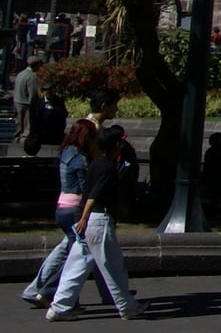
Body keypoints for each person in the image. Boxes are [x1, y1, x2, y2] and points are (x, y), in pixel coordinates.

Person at [44, 124, 143, 320]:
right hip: (99, 220)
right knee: (112, 266)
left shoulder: (96, 164)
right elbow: (94, 195)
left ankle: (59, 307)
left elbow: (88, 191)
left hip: (89, 221)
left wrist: (82, 218)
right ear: (117, 145)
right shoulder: (108, 167)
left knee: (77, 265)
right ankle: (127, 306)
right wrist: (84, 217)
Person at [20, 120, 107, 309]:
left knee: (70, 250)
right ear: (86, 137)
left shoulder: (65, 152)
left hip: (62, 206)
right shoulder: (81, 159)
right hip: (75, 209)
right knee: (80, 254)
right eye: (93, 137)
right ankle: (49, 292)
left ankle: (67, 297)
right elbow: (86, 188)